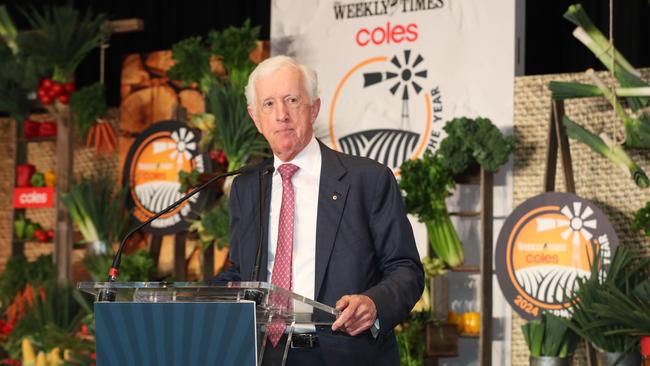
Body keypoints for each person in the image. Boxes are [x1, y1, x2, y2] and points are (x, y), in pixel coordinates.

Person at [215, 55, 423, 366]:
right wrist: (199, 304)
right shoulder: (247, 186)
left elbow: (406, 269)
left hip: (344, 353)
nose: (281, 114)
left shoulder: (368, 179)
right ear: (256, 118)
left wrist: (373, 303)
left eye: (292, 100)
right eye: (269, 104)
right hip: (264, 354)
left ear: (314, 108)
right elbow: (241, 271)